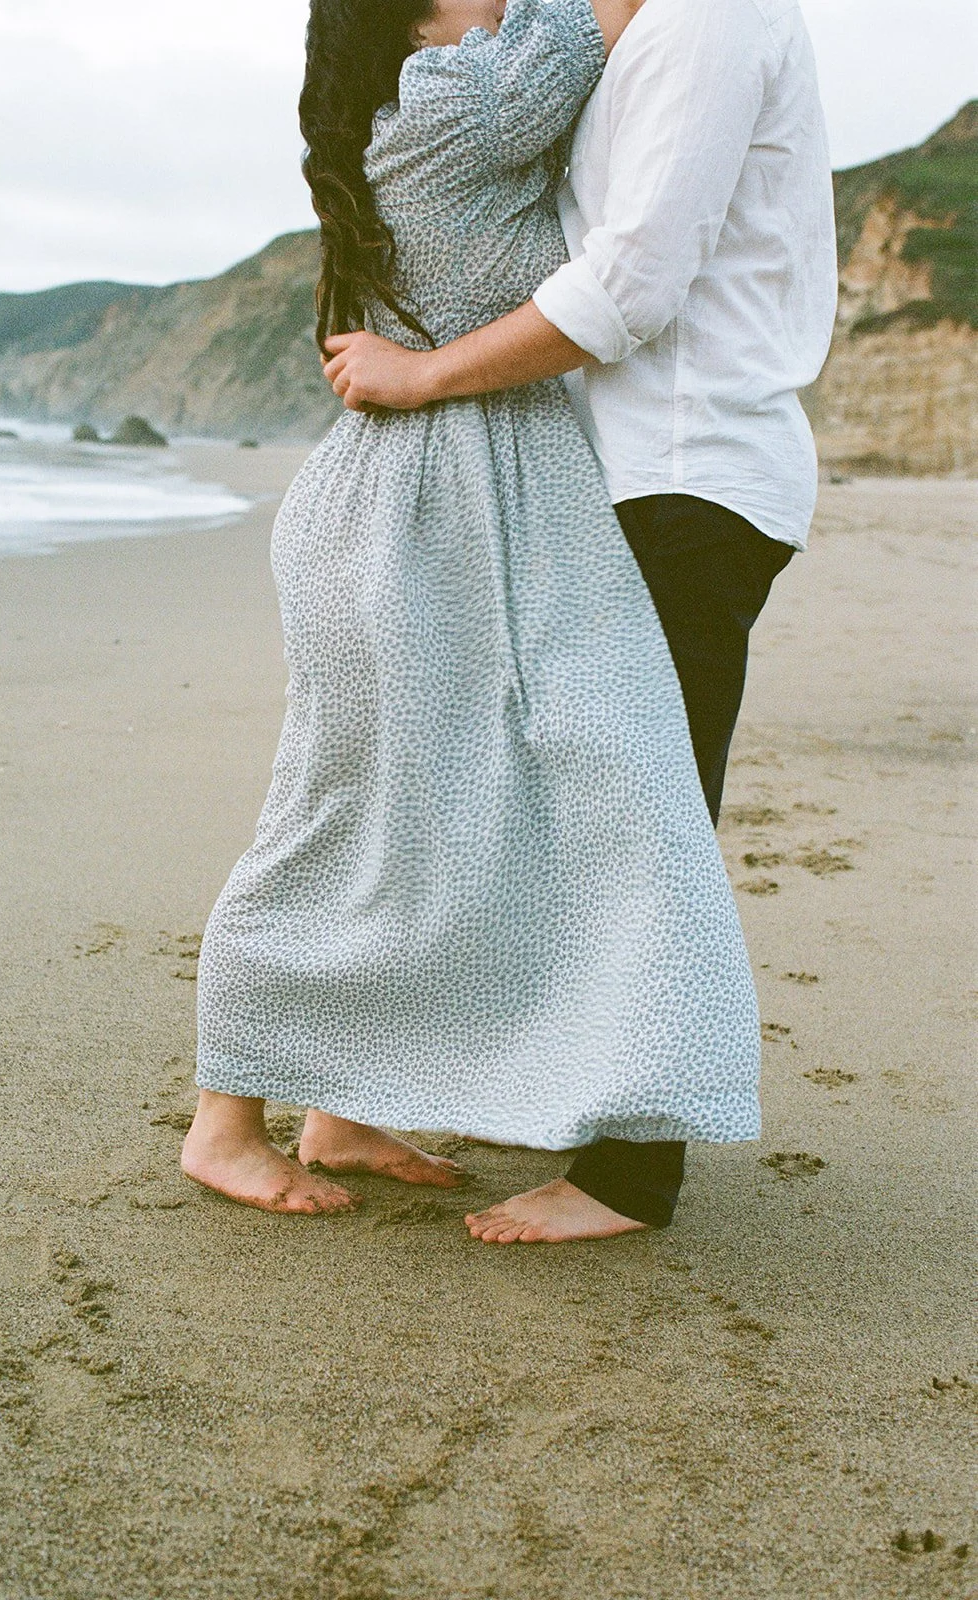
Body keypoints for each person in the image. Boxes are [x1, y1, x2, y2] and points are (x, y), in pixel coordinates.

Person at [183, 0, 763, 1243]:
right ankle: (222, 1123)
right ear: (413, 21)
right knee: (337, 811)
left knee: (414, 816)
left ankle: (342, 1110)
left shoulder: (435, 94)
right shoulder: (460, 96)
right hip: (403, 519)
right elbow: (605, 13)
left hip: (438, 504)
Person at [319, 0, 839, 1240]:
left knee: (644, 815)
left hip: (688, 473)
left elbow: (631, 283)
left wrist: (423, 375)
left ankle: (627, 1173)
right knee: (573, 811)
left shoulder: (709, 18)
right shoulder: (617, 23)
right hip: (611, 475)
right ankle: (563, 1100)